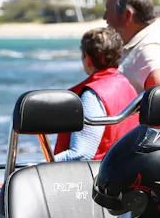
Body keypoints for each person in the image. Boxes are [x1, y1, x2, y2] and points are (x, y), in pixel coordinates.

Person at [53, 27, 140, 161]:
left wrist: (37, 166)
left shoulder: (92, 94)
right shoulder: (127, 84)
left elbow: (81, 154)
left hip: (96, 176)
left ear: (88, 59)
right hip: (124, 170)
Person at [104, 0, 160, 92]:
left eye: (108, 11)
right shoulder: (140, 42)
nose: (105, 17)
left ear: (127, 15)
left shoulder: (149, 48)